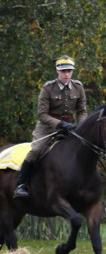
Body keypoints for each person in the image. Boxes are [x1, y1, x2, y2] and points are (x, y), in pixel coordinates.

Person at [13, 57, 87, 198]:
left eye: (69, 71)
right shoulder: (48, 87)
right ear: (57, 71)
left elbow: (82, 111)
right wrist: (59, 124)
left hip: (70, 128)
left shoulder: (78, 87)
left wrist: (81, 126)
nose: (66, 74)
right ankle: (21, 184)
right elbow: (41, 114)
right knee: (36, 150)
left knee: (84, 148)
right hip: (47, 128)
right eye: (63, 71)